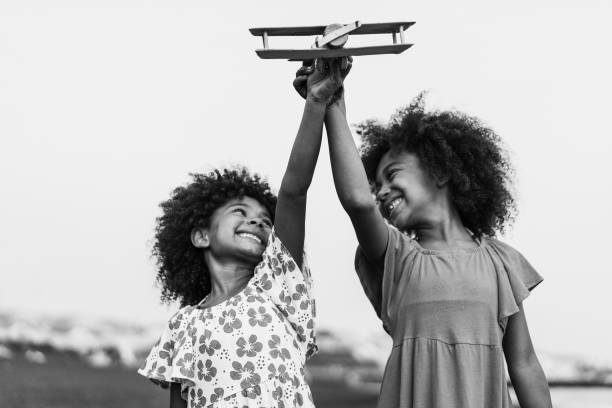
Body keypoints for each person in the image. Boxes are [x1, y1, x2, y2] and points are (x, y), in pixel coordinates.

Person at [316, 84, 553, 407]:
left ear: (440, 171)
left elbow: (524, 363)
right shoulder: (397, 257)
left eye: (392, 174)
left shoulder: (500, 261)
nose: (382, 192)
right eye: (377, 185)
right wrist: (333, 107)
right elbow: (358, 201)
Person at [138, 59, 349, 408]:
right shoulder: (183, 325)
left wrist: (315, 104)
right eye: (240, 212)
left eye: (266, 220)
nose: (258, 222)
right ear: (201, 236)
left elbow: (294, 192)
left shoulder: (276, 288)